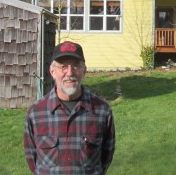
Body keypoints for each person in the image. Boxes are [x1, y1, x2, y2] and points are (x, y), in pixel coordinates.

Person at [24, 41, 115, 174]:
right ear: (52, 71)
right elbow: (32, 160)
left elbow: (106, 157)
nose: (69, 73)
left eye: (76, 66)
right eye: (63, 67)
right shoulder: (36, 113)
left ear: (84, 70)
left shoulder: (102, 111)